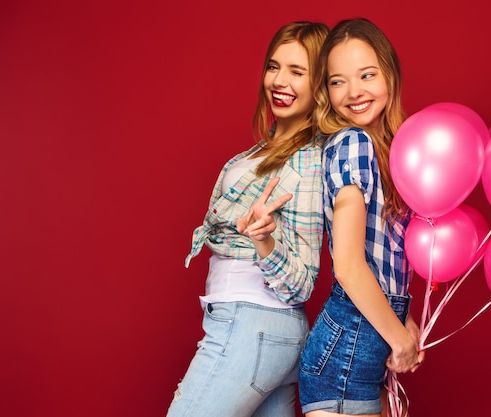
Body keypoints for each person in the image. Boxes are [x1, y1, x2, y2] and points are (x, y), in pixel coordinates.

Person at [165, 21, 329, 417]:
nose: (279, 80)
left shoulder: (308, 158)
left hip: (253, 324)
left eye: (297, 71)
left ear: (320, 85)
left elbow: (303, 282)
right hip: (257, 328)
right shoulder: (265, 149)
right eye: (274, 67)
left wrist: (266, 242)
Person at [298, 18, 425, 417]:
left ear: (389, 73)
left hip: (368, 339)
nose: (354, 92)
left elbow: (393, 256)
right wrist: (399, 340)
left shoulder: (390, 150)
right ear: (325, 90)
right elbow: (350, 266)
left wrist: (405, 320)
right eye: (337, 81)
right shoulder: (353, 143)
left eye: (367, 75)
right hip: (346, 352)